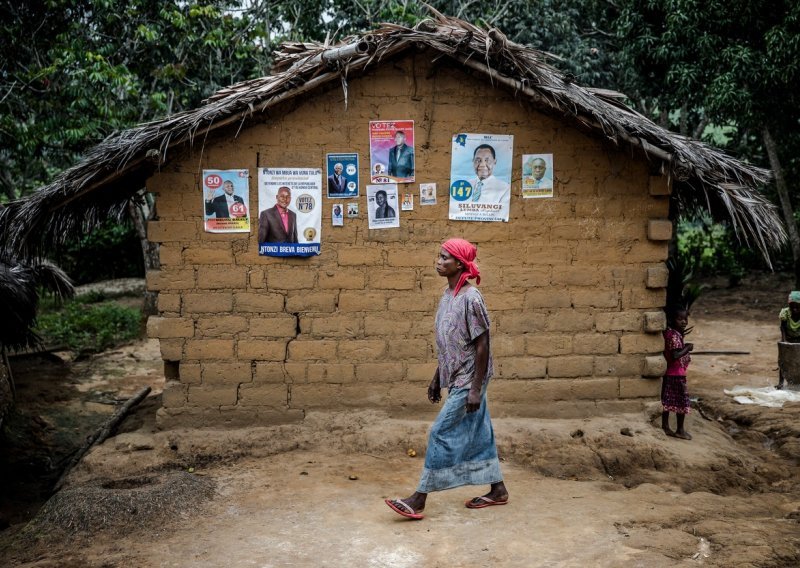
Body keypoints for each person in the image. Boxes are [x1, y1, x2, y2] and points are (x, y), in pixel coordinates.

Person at [385, 238, 508, 520]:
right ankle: (498, 489)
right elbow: (449, 343)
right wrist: (436, 377)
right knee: (480, 432)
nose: (438, 262)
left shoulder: (471, 298)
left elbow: (482, 344)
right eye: (438, 257)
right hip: (454, 376)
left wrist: (475, 388)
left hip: (468, 379)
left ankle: (419, 498)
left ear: (460, 265)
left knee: (439, 431)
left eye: (445, 258)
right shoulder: (447, 295)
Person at [662, 306, 694, 440]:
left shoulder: (672, 333)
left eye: (685, 319)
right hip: (676, 374)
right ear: (672, 320)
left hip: (671, 373)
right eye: (680, 319)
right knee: (681, 401)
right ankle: (680, 430)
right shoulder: (674, 336)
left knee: (667, 400)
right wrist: (687, 348)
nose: (684, 322)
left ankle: (665, 426)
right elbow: (675, 355)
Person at [776, 291, 800, 388]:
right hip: (788, 337)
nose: (795, 309)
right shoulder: (785, 313)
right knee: (783, 360)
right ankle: (781, 383)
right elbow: (783, 328)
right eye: (792, 306)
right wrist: (784, 341)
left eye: (798, 307)